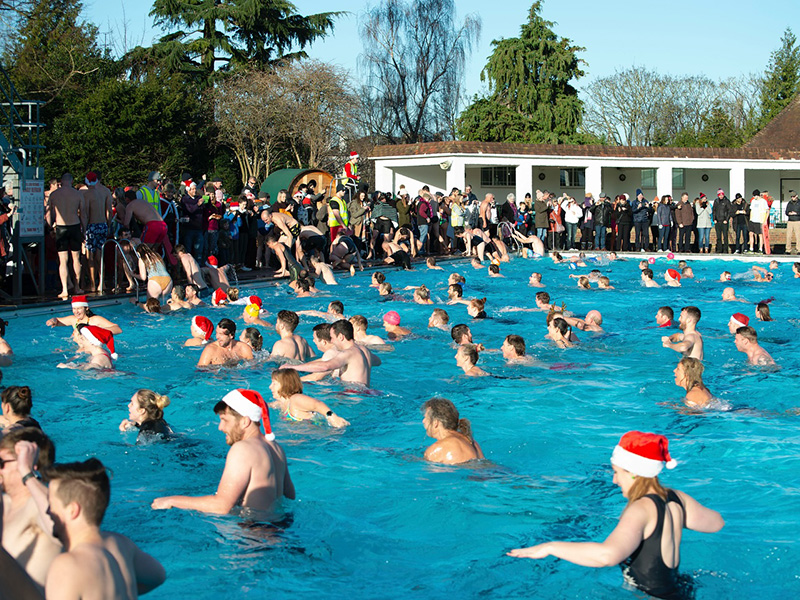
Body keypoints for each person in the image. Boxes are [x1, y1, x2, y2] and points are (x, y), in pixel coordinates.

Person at [508, 431, 724, 599]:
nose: (614, 480)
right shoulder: (675, 498)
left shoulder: (641, 509)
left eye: (617, 472)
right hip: (681, 591)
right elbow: (716, 524)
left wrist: (550, 547)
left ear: (633, 472)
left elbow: (607, 556)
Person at [152, 389, 295, 514]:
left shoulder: (243, 449)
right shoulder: (275, 447)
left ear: (245, 421)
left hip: (254, 539)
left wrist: (171, 500)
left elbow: (221, 506)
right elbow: (289, 495)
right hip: (279, 532)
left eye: (224, 420)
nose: (220, 427)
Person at [44, 458, 145, 599]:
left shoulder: (68, 566)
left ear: (72, 510)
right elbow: (158, 576)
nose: (48, 511)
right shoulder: (121, 545)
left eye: (51, 504)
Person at [0, 428, 60, 590]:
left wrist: (27, 474)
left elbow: (59, 529)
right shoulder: (5, 503)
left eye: (1, 463)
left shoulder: (37, 506)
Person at [285, 320, 380, 387]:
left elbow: (325, 366)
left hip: (352, 397)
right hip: (367, 392)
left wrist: (292, 367)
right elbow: (378, 361)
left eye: (332, 337)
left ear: (341, 337)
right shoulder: (364, 350)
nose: (331, 341)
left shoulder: (348, 353)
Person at [46, 173, 85, 299]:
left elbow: (49, 214)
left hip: (61, 227)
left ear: (61, 182)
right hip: (75, 226)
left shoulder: (54, 194)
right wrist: (84, 229)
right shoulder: (78, 194)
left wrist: (50, 227)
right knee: (76, 259)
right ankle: (77, 287)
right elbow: (83, 214)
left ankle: (64, 289)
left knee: (63, 260)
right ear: (72, 181)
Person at [268, 369, 349, 427]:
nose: (270, 387)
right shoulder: (281, 403)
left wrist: (332, 417)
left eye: (274, 384)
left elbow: (317, 404)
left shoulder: (296, 399)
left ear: (286, 384)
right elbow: (265, 405)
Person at [421, 398, 483, 465]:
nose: (423, 421)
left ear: (436, 422)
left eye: (425, 417)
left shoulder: (436, 450)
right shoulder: (472, 441)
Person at [81, 171, 113, 292]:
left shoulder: (86, 194)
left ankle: (93, 284)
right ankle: (102, 283)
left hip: (91, 226)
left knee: (90, 257)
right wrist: (109, 225)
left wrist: (84, 229)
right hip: (103, 225)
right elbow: (109, 211)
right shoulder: (106, 191)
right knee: (100, 255)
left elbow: (86, 214)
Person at [45, 295, 122, 334]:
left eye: (79, 309)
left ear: (86, 308)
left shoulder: (95, 320)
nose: (76, 312)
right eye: (74, 309)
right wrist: (53, 321)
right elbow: (57, 320)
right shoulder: (73, 320)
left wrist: (97, 331)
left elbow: (118, 329)